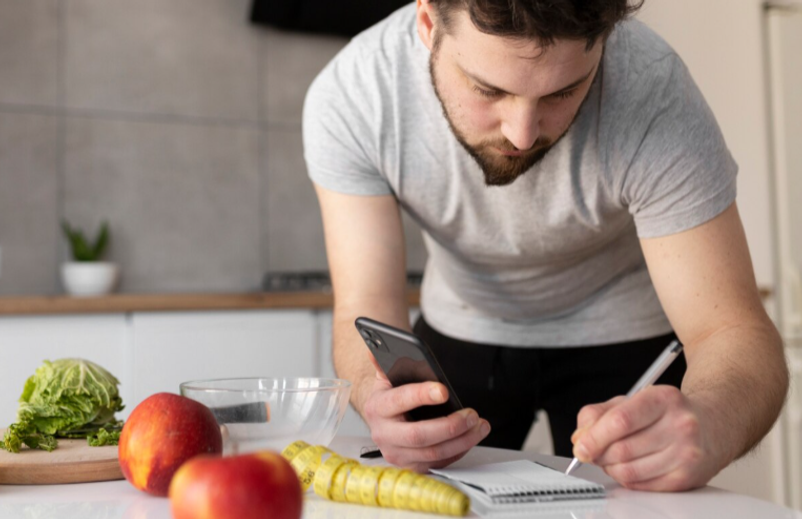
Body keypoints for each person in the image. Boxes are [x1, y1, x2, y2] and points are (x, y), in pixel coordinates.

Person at [304, 0, 789, 492]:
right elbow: (363, 309)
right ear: (428, 25)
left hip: (626, 336)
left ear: (604, 43)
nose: (523, 132)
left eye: (565, 91)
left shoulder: (654, 93)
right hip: (463, 325)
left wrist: (710, 420)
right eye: (488, 89)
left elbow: (732, 330)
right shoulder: (356, 94)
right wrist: (374, 398)